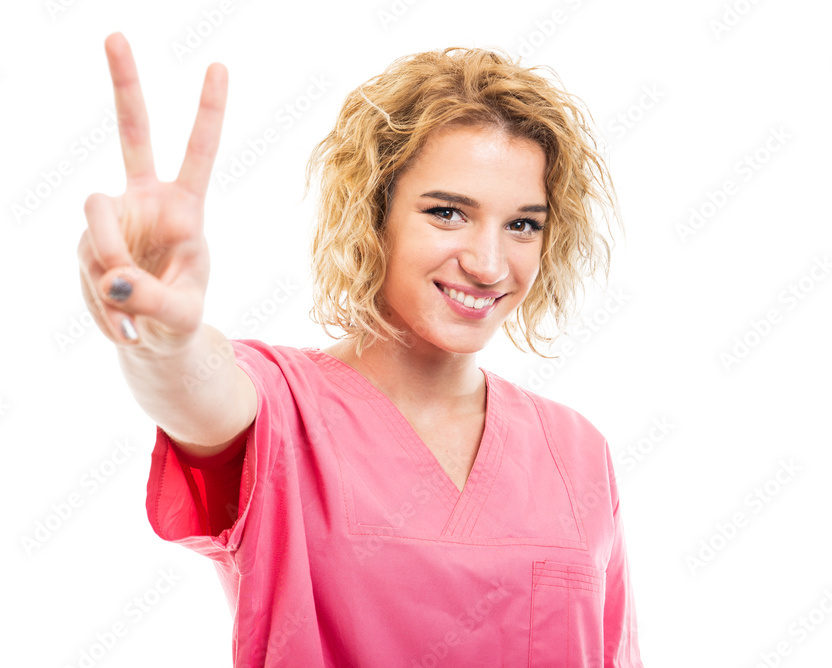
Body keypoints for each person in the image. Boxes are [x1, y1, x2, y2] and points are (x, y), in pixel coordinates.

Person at [77, 31, 644, 667]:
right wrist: (164, 340)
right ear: (373, 214)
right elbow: (195, 392)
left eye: (522, 224)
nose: (489, 264)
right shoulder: (284, 411)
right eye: (448, 212)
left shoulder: (576, 452)